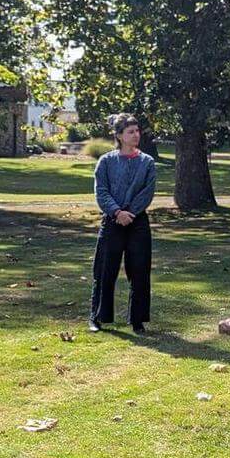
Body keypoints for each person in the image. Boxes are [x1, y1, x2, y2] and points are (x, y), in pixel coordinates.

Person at [89, 113, 157, 334]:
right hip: (112, 221)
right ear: (119, 136)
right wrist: (117, 212)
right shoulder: (106, 162)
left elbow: (147, 193)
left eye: (137, 131)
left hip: (137, 222)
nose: (136, 135)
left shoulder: (147, 162)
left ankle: (137, 321)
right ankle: (97, 317)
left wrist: (130, 212)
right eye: (131, 132)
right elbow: (102, 191)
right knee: (105, 270)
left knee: (139, 270)